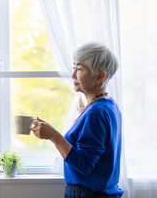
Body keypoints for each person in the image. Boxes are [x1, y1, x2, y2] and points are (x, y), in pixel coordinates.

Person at [31, 42, 124, 198]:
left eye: (79, 68)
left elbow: (85, 165)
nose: (73, 75)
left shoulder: (96, 113)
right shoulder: (107, 106)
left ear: (99, 76)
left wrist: (53, 136)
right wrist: (85, 114)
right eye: (73, 67)